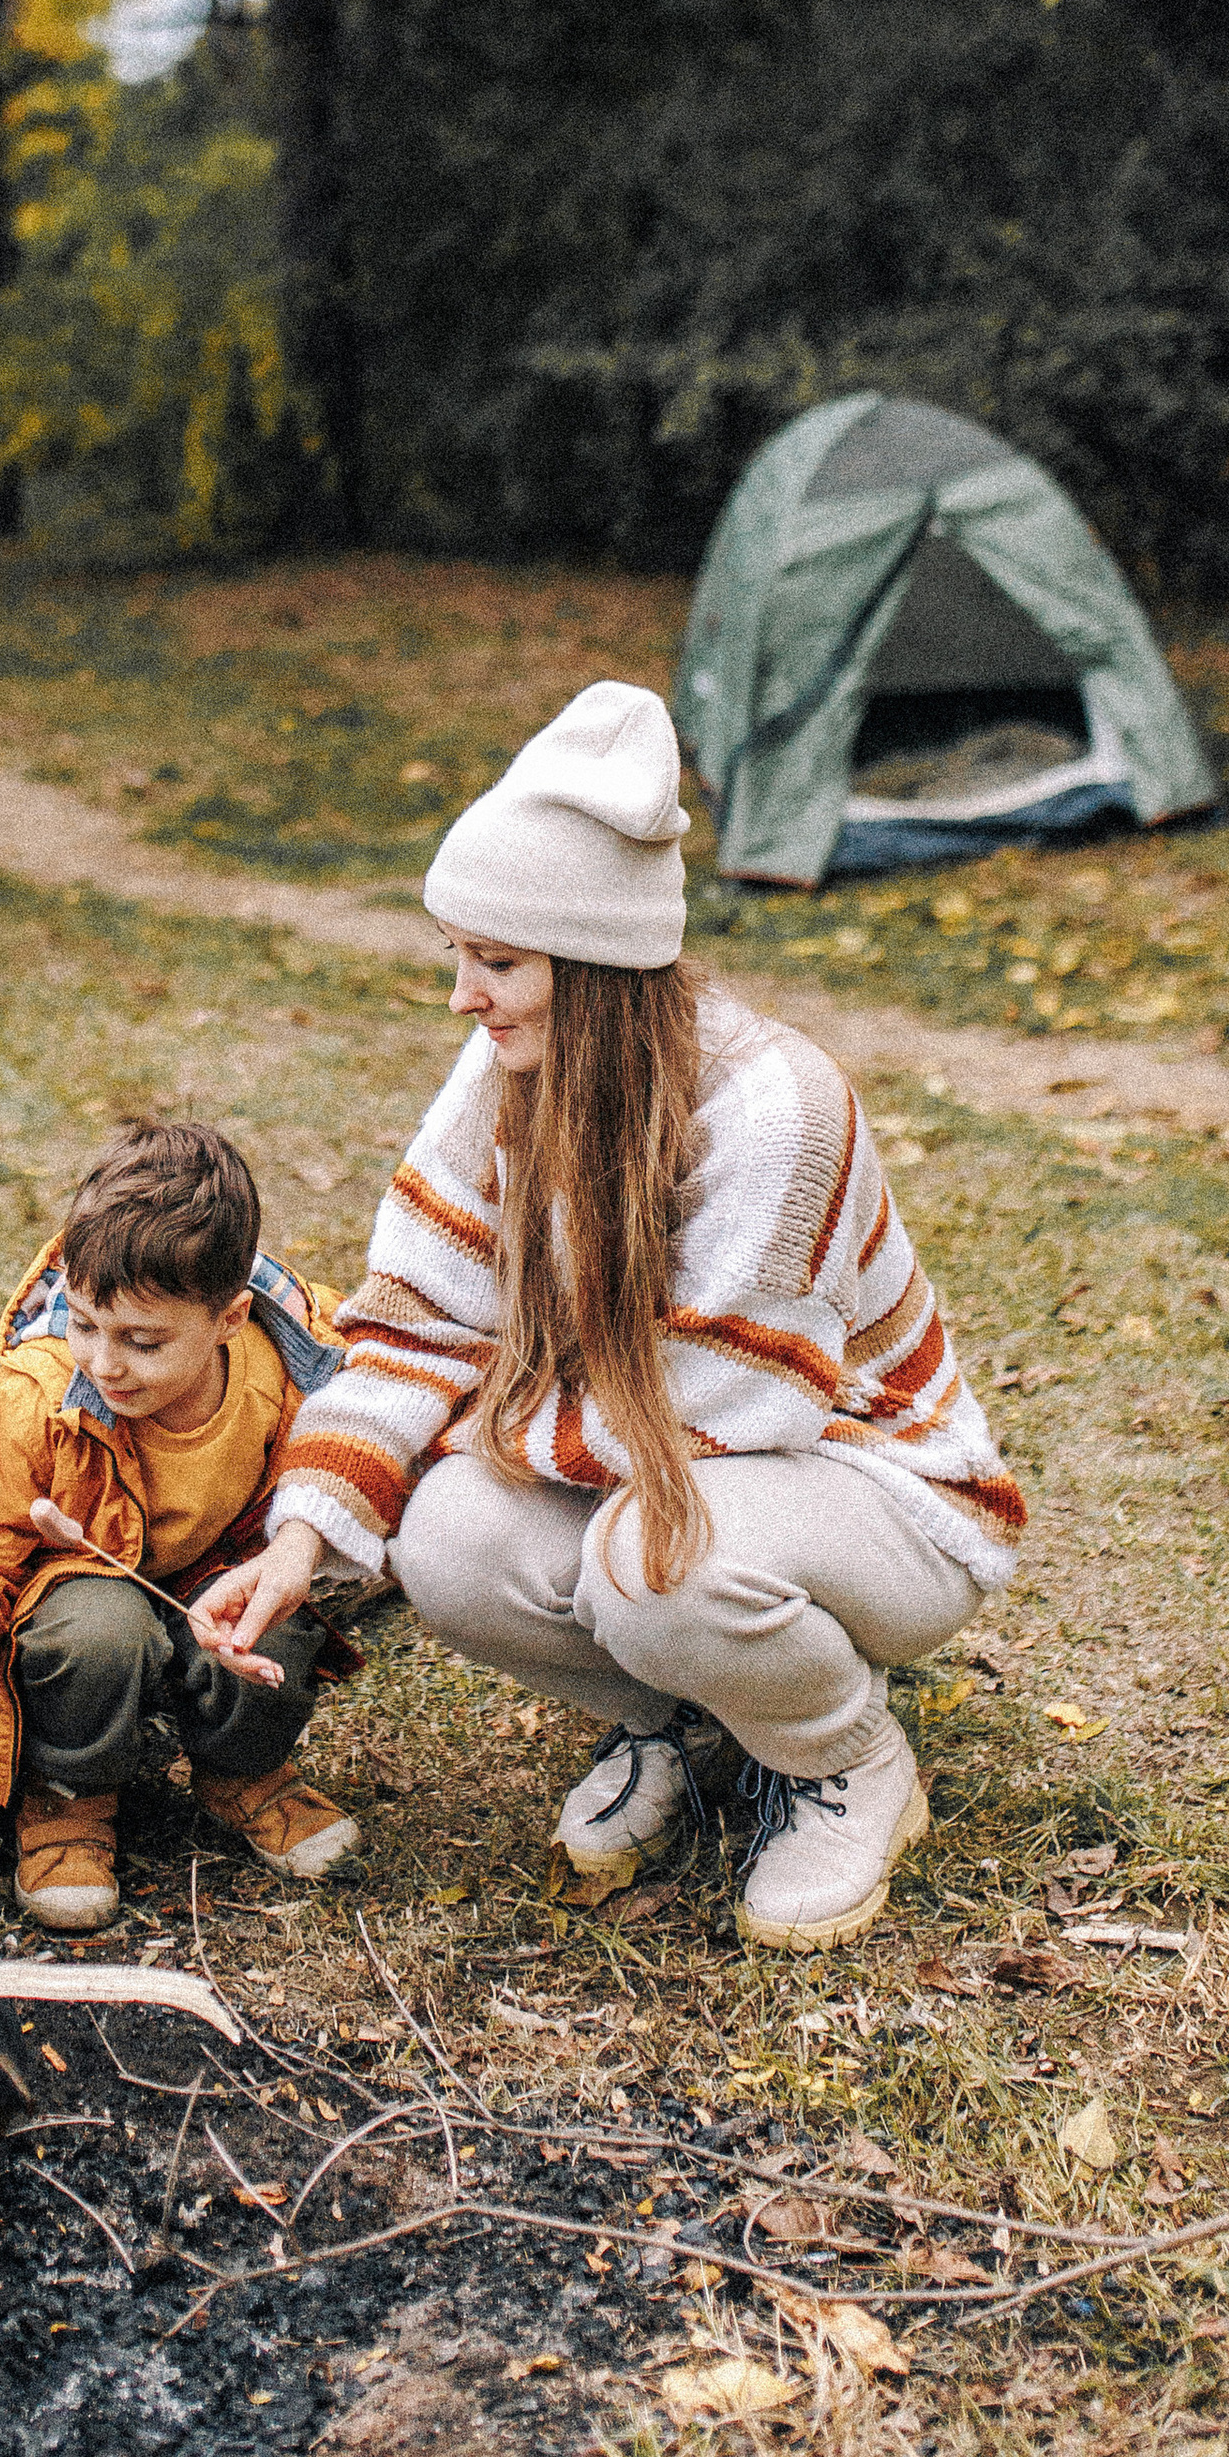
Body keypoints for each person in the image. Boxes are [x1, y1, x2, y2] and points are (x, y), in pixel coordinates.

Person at [192, 681, 1025, 1955]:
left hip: (876, 1490)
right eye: (458, 955)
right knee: (446, 1537)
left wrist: (473, 1425)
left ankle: (846, 1757)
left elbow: (725, 1409)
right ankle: (679, 1723)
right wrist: (308, 1534)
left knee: (646, 1565)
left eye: (497, 963)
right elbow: (416, 1324)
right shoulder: (509, 1073)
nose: (462, 997)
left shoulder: (776, 1111)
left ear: (593, 967)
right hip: (641, 1465)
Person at [0, 1119, 362, 1932]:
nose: (104, 1362)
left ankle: (245, 1772)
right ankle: (69, 1796)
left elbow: (400, 1397)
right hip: (80, 1594)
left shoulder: (298, 1365)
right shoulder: (40, 1393)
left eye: (143, 1342)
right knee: (97, 1631)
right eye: (85, 1323)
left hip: (218, 1572)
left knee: (276, 1622)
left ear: (231, 1318)